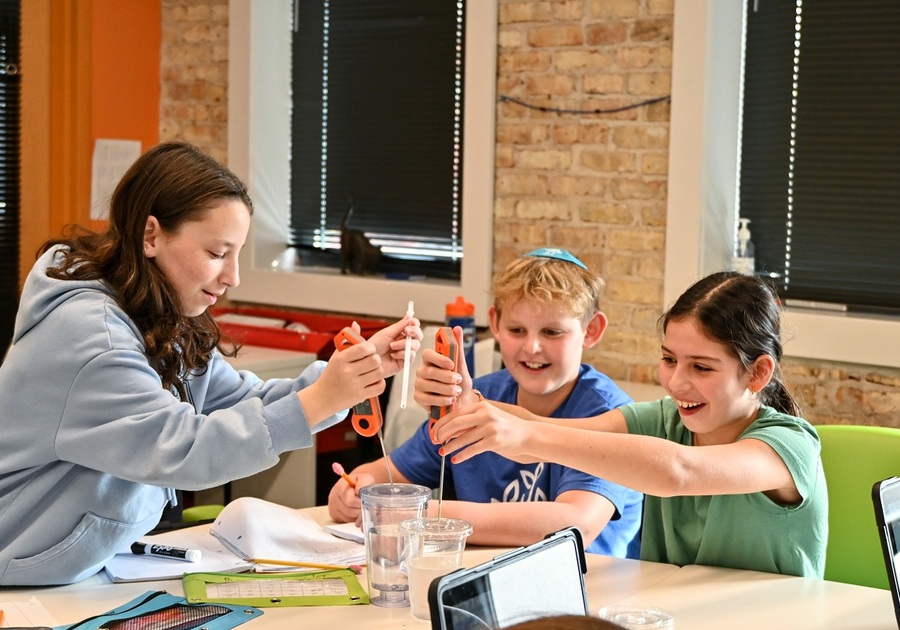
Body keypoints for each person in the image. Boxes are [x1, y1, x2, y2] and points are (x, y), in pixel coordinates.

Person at [0, 141, 421, 586]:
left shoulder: (158, 313)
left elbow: (239, 399)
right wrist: (321, 398)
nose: (233, 276)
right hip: (19, 571)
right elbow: (183, 448)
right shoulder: (92, 338)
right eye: (218, 254)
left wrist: (352, 373)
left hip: (82, 567)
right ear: (150, 236)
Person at [419, 271, 828, 578]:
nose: (676, 381)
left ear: (757, 374)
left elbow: (679, 472)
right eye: (669, 359)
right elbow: (540, 439)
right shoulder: (662, 419)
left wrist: (525, 432)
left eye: (701, 366)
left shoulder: (788, 445)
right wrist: (468, 403)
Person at [328, 249, 643, 558]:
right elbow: (386, 473)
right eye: (517, 330)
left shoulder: (611, 417)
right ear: (494, 322)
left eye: (552, 332)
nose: (532, 347)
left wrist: (419, 513)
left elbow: (576, 524)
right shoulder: (477, 396)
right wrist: (358, 491)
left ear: (592, 330)